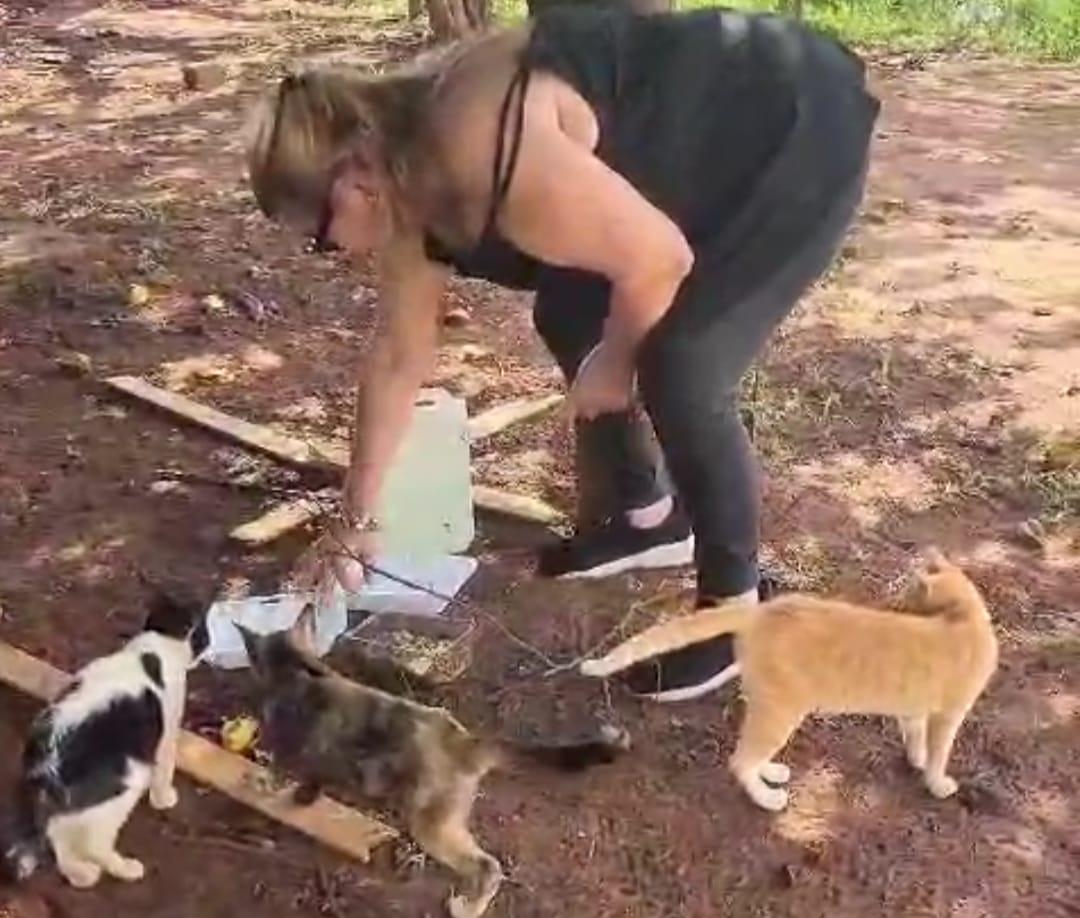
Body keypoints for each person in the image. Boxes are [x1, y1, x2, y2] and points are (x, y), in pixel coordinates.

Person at [246, 5, 879, 702]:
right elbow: (398, 356)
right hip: (693, 148)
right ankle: (647, 517)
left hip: (791, 124)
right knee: (569, 306)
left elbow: (658, 259)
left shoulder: (481, 151)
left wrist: (613, 362)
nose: (331, 253)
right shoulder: (404, 179)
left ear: (354, 179)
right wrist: (354, 523)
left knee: (682, 364)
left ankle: (735, 610)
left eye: (322, 236)